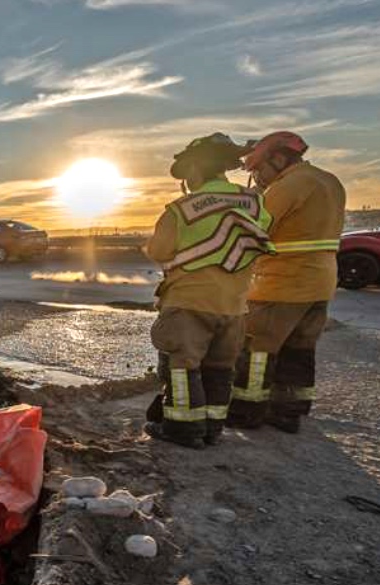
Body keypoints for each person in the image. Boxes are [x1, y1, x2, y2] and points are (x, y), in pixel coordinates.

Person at [142, 133, 273, 448]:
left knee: (182, 366)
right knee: (219, 368)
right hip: (234, 305)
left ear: (197, 170)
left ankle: (183, 430)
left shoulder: (181, 209)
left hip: (189, 300)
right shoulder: (255, 203)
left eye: (188, 174)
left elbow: (160, 250)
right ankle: (213, 427)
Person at [228, 132, 346, 433]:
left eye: (258, 169)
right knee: (299, 351)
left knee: (257, 349)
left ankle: (247, 410)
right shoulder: (330, 181)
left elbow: (255, 231)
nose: (257, 177)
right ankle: (288, 412)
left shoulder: (288, 186)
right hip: (321, 283)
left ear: (278, 159)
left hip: (282, 284)